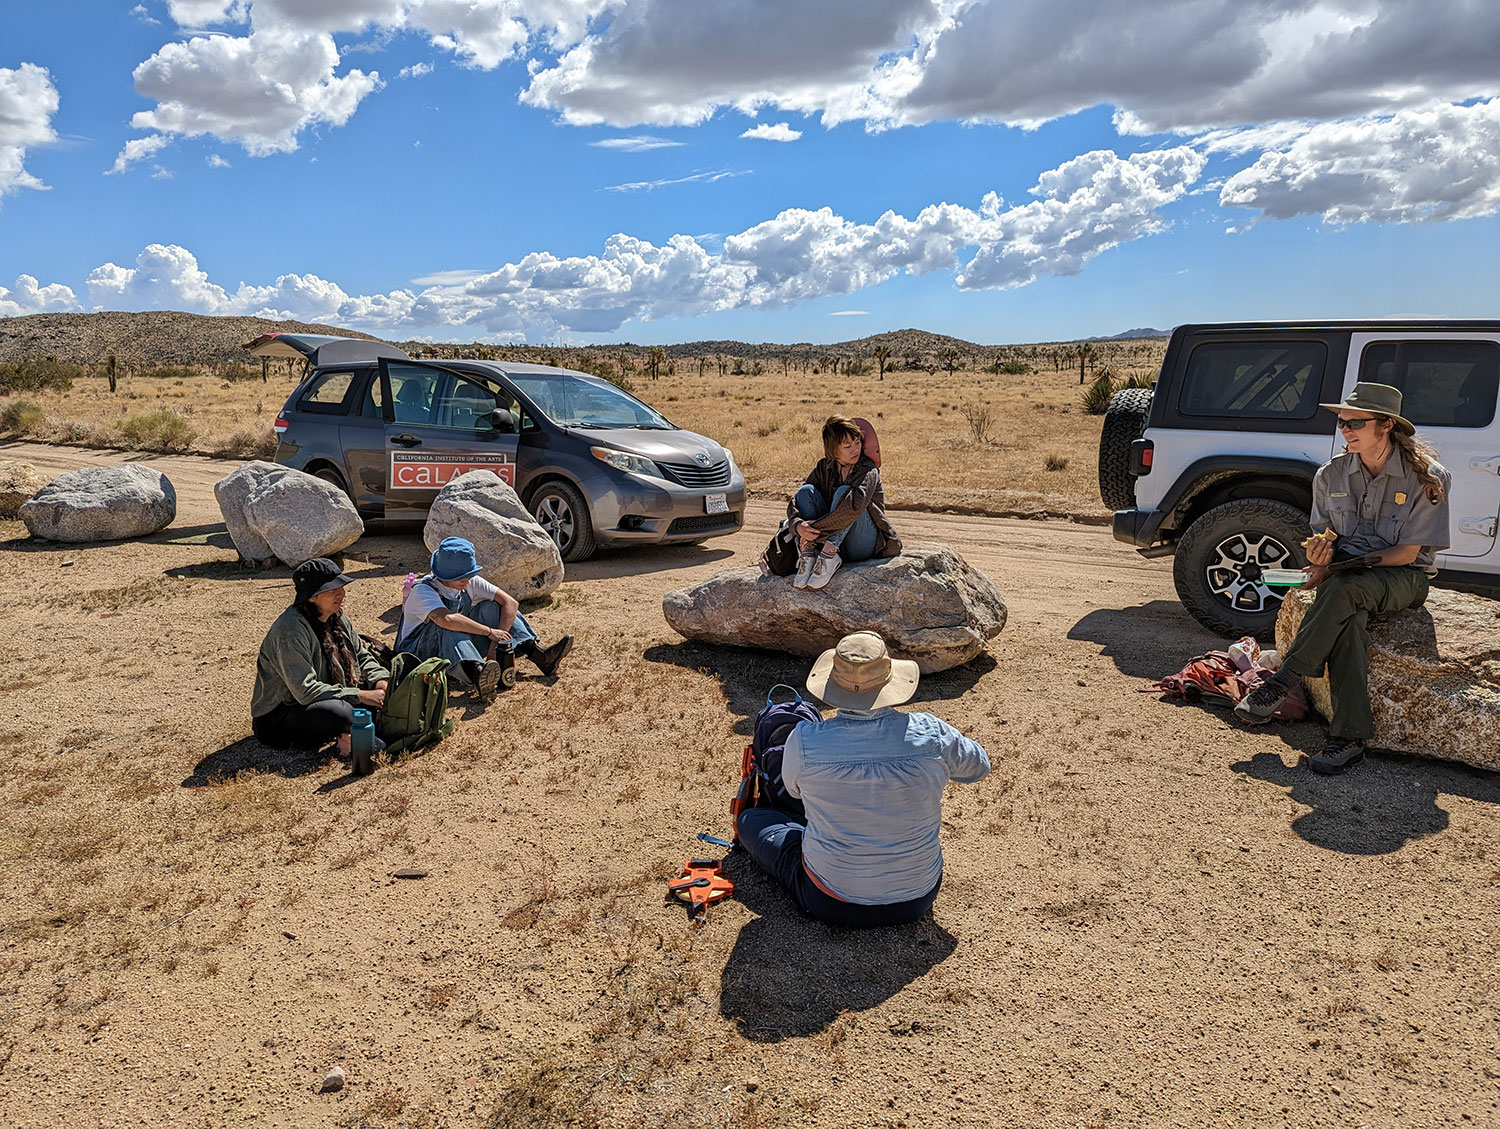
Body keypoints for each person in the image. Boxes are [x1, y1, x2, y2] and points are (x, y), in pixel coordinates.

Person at [1235, 383, 1451, 774]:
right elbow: (1325, 540)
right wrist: (1320, 558)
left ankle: (1286, 678)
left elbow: (1405, 554)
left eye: (1356, 422)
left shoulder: (1427, 478)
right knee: (1348, 622)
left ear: (1386, 425)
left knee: (1344, 587)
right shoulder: (1329, 475)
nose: (1345, 430)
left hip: (1403, 577)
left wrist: (1336, 569)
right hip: (1344, 577)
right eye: (1342, 422)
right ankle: (1347, 739)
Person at [735, 631, 990, 927]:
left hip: (828, 900)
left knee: (752, 821)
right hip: (917, 896)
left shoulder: (805, 739)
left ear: (832, 682)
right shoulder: (931, 732)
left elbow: (793, 791)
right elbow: (979, 767)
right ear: (890, 679)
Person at [397, 536, 573, 694]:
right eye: (461, 576)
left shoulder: (469, 581)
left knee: (491, 607)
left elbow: (510, 603)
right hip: (420, 655)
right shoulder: (423, 590)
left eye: (469, 574)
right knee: (449, 625)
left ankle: (540, 656)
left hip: (454, 646)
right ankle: (477, 674)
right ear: (444, 574)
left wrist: (496, 644)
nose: (467, 580)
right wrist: (489, 632)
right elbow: (447, 620)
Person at [251, 558, 390, 755]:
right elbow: (305, 691)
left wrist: (380, 681)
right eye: (332, 590)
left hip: (326, 696)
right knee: (340, 712)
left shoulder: (336, 616)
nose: (340, 594)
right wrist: (359, 695)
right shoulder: (291, 632)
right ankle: (350, 734)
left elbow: (361, 656)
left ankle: (352, 733)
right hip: (281, 716)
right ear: (311, 597)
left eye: (341, 587)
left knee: (385, 690)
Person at [782, 416, 902, 590]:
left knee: (844, 493)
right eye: (847, 446)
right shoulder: (824, 467)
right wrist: (798, 525)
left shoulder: (867, 469)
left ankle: (828, 554)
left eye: (857, 442)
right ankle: (809, 554)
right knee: (805, 491)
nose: (855, 449)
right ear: (833, 450)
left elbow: (853, 509)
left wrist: (816, 529)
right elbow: (796, 500)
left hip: (861, 543)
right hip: (830, 538)